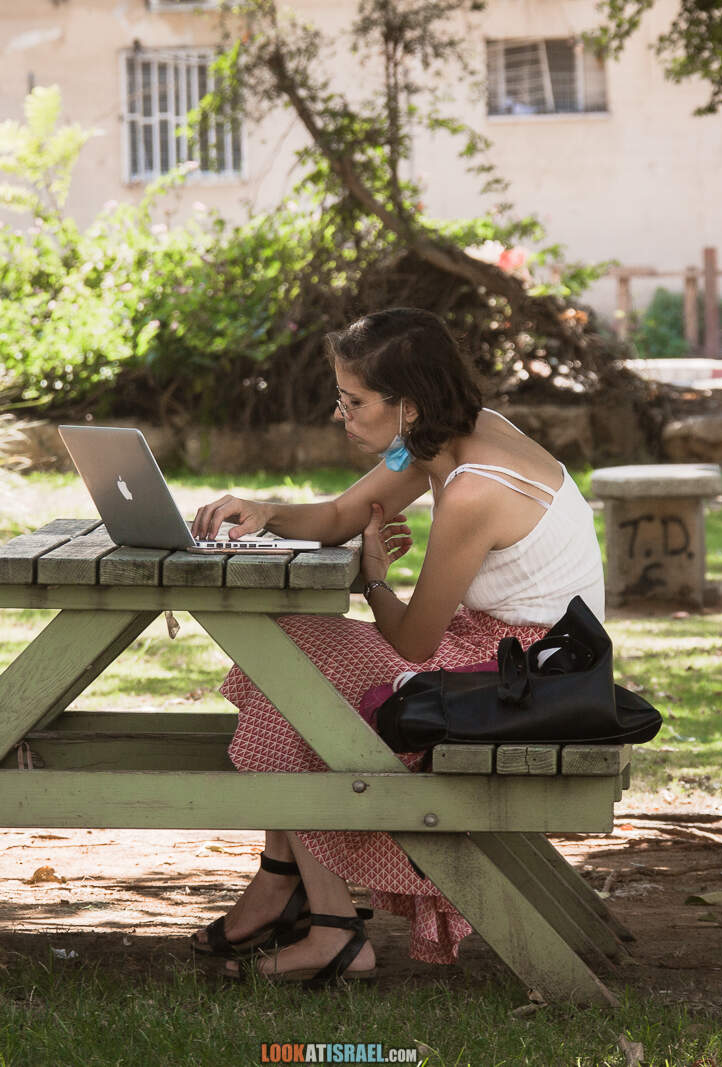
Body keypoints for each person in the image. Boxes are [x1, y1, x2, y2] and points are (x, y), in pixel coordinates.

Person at [187, 307, 606, 986]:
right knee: (288, 657)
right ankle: (297, 893)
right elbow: (339, 515)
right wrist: (264, 511)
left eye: (353, 401)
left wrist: (375, 575)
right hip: (504, 649)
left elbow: (412, 639)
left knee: (294, 668)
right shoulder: (449, 435)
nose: (340, 413)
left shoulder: (477, 488)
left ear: (406, 405)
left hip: (528, 674)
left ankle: (326, 924)